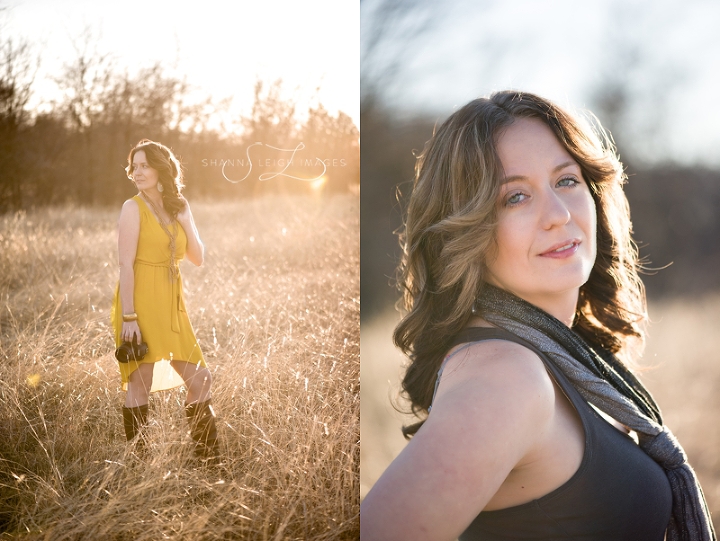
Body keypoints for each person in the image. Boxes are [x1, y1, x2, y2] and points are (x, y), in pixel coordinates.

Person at [360, 92, 715, 540]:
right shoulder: (506, 376)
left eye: (566, 181)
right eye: (516, 197)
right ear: (465, 228)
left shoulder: (559, 357)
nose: (559, 214)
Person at [111, 139, 219, 461]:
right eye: (134, 166)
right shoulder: (132, 208)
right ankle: (141, 465)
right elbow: (124, 265)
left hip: (171, 303)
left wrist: (185, 217)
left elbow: (197, 257)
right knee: (140, 380)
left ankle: (209, 461)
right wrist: (129, 317)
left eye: (145, 165)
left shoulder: (178, 206)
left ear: (161, 169)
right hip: (139, 301)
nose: (137, 172)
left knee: (200, 378)